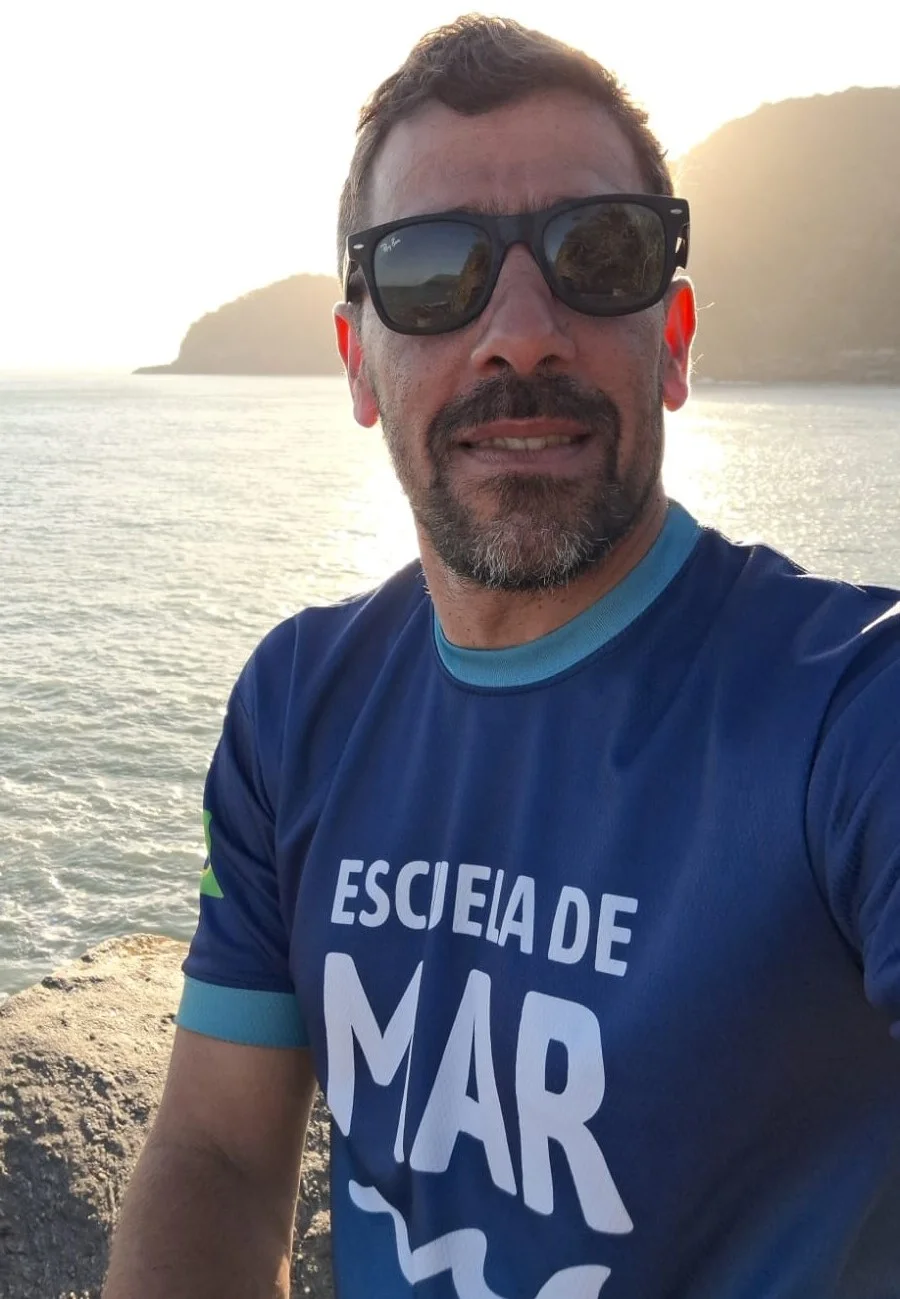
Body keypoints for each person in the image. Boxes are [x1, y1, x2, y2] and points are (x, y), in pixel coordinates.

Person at [103, 15, 900, 1299]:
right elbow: (219, 1152)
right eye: (434, 271)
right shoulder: (298, 707)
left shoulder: (851, 709)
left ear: (675, 338)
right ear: (359, 363)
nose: (521, 334)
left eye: (599, 254)